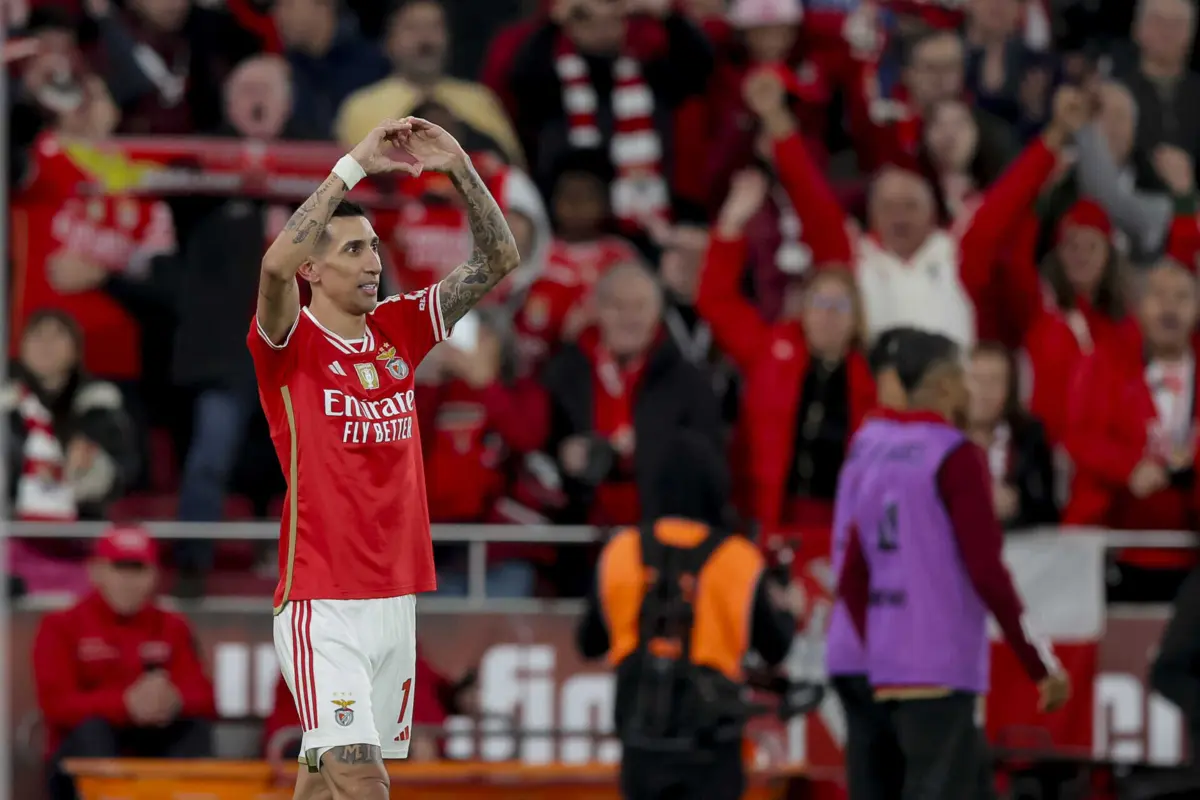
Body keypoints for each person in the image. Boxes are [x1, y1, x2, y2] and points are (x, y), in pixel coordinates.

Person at [249, 116, 519, 799]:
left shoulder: (401, 329)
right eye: (350, 250)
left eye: (373, 247)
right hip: (321, 597)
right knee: (361, 778)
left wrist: (458, 166)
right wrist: (357, 164)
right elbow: (273, 265)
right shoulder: (287, 346)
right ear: (314, 267)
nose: (372, 261)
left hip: (392, 594)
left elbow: (497, 261)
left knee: (322, 777)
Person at [836, 330, 1071, 800]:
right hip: (937, 667)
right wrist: (1040, 663)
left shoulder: (870, 446)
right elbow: (987, 571)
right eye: (963, 376)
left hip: (871, 665)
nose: (971, 389)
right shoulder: (955, 455)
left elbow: (852, 573)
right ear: (944, 387)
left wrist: (876, 652)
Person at [576, 431, 804, 800]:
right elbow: (775, 647)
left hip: (641, 742)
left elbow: (588, 642)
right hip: (711, 747)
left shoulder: (620, 551)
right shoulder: (738, 559)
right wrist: (791, 611)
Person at [33, 524, 216, 800]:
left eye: (138, 569)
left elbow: (205, 697)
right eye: (120, 567)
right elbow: (56, 704)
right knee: (92, 730)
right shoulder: (61, 626)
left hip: (152, 746)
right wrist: (125, 704)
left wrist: (173, 699)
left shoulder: (173, 627)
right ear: (96, 571)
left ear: (155, 575)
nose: (129, 581)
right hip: (83, 758)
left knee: (193, 729)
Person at [827, 327, 919, 800]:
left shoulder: (867, 442)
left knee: (871, 777)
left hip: (858, 647)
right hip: (891, 648)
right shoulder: (903, 447)